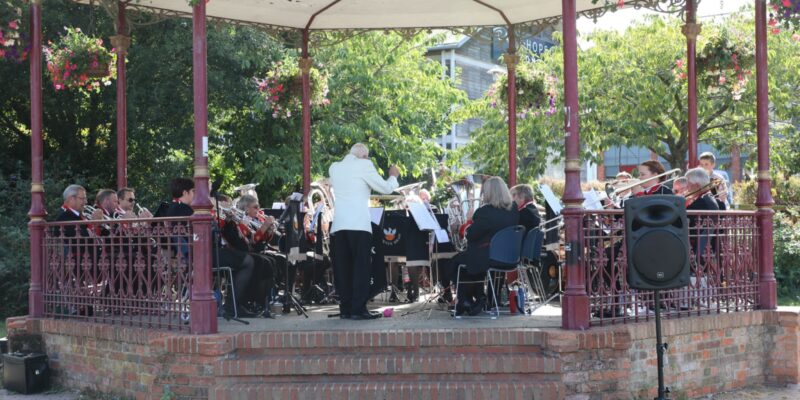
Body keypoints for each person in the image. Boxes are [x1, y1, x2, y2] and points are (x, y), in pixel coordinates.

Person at [164, 178, 258, 318]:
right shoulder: (183, 209)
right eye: (193, 191)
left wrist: (224, 220)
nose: (196, 195)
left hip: (200, 253)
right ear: (185, 192)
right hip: (202, 255)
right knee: (248, 261)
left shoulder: (176, 208)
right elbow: (206, 233)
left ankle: (234, 305)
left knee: (241, 258)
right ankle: (232, 307)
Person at [329, 143, 400, 320]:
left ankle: (345, 308)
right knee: (361, 268)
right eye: (367, 157)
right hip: (359, 225)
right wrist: (393, 176)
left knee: (343, 268)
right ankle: (358, 309)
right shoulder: (364, 165)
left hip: (338, 226)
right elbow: (385, 188)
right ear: (363, 156)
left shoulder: (334, 168)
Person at [446, 176, 519, 316]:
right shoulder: (514, 209)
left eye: (485, 191)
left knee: (453, 264)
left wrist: (468, 220)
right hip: (509, 257)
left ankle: (469, 299)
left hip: (488, 256)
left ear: (489, 193)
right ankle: (475, 298)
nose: (483, 194)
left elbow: (471, 235)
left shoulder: (484, 212)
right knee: (468, 261)